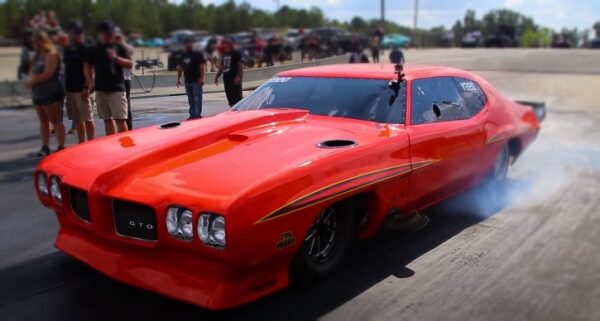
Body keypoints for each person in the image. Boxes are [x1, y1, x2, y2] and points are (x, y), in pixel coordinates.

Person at [83, 21, 132, 135]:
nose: (110, 36)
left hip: (116, 90)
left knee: (120, 120)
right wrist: (90, 81)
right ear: (101, 34)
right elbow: (87, 65)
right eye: (107, 34)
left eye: (111, 33)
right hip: (100, 89)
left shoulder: (118, 47)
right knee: (107, 120)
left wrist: (116, 58)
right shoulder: (94, 49)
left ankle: (124, 146)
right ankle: (111, 145)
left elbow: (129, 64)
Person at [27, 31, 66, 156]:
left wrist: (34, 80)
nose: (33, 44)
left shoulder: (51, 54)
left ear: (41, 41)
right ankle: (45, 146)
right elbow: (31, 71)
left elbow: (49, 73)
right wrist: (32, 78)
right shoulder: (37, 56)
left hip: (51, 92)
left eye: (35, 42)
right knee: (43, 121)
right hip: (38, 92)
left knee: (56, 120)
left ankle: (61, 145)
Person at [63, 22, 95, 143]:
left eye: (79, 32)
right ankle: (81, 143)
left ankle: (91, 142)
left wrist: (87, 87)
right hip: (71, 90)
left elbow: (90, 68)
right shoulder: (67, 49)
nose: (77, 35)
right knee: (77, 119)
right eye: (74, 32)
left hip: (82, 89)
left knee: (88, 118)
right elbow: (66, 68)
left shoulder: (86, 48)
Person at [176, 37, 206, 119]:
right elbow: (180, 67)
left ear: (192, 44)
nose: (188, 44)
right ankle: (192, 115)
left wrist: (202, 78)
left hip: (196, 80)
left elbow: (202, 66)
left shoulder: (197, 54)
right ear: (184, 44)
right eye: (186, 43)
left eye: (189, 43)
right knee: (190, 99)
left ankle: (197, 114)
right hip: (187, 81)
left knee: (197, 98)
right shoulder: (182, 55)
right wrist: (178, 79)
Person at [115, 28, 135, 129]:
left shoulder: (125, 47)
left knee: (126, 104)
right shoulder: (114, 48)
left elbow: (131, 51)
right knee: (119, 106)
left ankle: (129, 126)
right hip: (117, 79)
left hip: (125, 78)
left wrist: (121, 42)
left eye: (118, 37)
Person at [215, 39, 244, 107]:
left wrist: (238, 76)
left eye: (229, 44)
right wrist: (217, 77)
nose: (227, 45)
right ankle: (232, 109)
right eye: (226, 44)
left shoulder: (236, 53)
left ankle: (239, 110)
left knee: (236, 96)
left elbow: (240, 65)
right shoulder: (224, 54)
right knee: (229, 95)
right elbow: (221, 67)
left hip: (234, 77)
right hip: (226, 77)